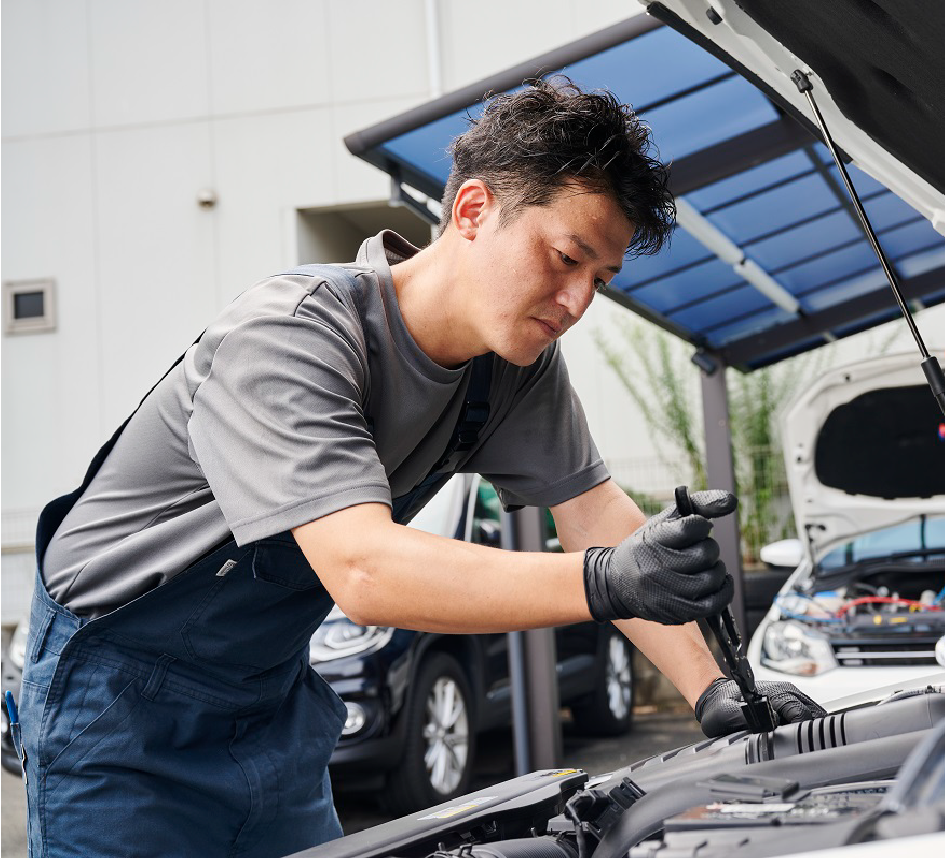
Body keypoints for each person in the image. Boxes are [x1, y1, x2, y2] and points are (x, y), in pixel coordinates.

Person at [19, 78, 823, 857]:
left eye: (599, 280)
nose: (578, 303)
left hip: (264, 707)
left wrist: (716, 688)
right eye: (565, 257)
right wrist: (602, 579)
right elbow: (364, 571)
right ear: (472, 210)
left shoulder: (512, 368)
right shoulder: (293, 336)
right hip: (115, 715)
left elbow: (595, 518)